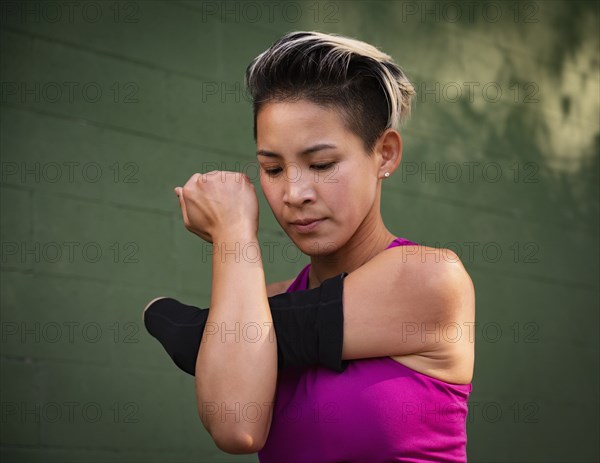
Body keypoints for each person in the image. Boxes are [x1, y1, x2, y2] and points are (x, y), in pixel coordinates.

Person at [144, 31, 475, 462]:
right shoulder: (260, 304)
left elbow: (226, 345)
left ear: (386, 154)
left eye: (321, 164)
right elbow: (235, 425)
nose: (294, 192)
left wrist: (199, 330)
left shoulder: (429, 277)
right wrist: (234, 234)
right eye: (273, 168)